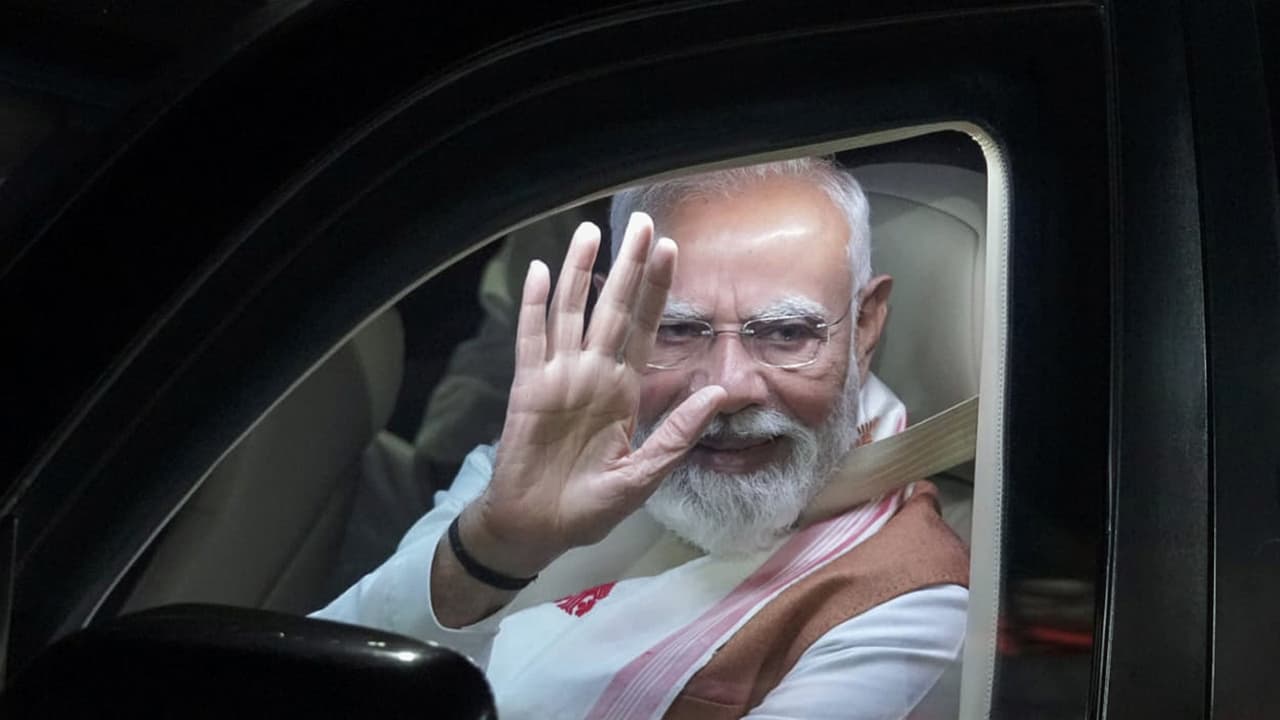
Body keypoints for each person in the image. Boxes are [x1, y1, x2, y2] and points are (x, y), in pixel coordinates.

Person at [313, 157, 969, 719]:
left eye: (786, 333)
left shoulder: (904, 604)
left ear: (866, 325)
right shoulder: (560, 455)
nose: (727, 387)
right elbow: (307, 684)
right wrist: (492, 550)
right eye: (677, 331)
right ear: (617, 320)